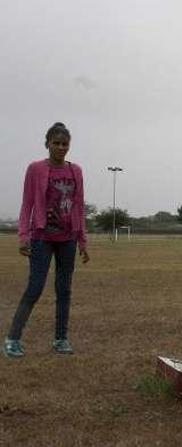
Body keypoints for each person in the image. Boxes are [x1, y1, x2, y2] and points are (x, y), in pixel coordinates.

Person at [5, 123, 90, 358]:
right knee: (34, 288)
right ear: (47, 144)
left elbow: (79, 206)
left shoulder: (76, 171)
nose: (61, 147)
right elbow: (27, 204)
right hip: (42, 238)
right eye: (56, 143)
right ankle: (12, 339)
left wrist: (82, 240)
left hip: (68, 239)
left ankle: (61, 339)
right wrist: (23, 236)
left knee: (64, 290)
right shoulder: (35, 169)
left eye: (65, 144)